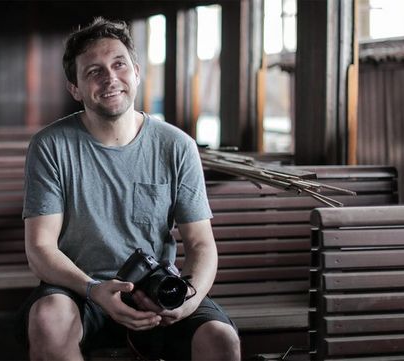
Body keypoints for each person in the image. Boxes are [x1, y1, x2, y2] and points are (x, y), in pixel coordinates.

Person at [19, 17, 240, 361]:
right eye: (94, 71)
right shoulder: (50, 146)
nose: (110, 78)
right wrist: (93, 289)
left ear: (136, 72)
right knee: (48, 320)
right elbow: (40, 248)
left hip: (155, 288)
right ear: (75, 88)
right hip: (79, 287)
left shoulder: (177, 145)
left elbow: (200, 244)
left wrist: (189, 301)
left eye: (119, 64)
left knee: (220, 340)